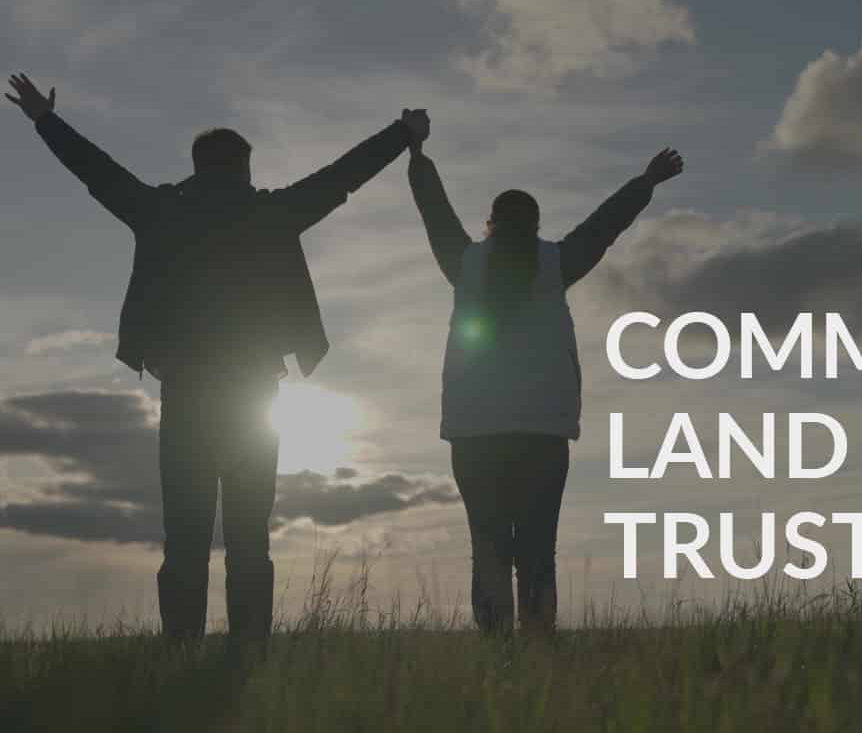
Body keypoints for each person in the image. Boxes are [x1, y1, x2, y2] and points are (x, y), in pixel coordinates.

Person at [5, 72, 429, 642]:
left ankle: (181, 653)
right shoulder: (269, 212)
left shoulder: (160, 210)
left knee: (184, 538)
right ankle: (248, 655)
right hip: (255, 396)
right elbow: (341, 179)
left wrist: (45, 121)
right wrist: (401, 135)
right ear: (243, 168)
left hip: (185, 396)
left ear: (198, 165)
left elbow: (96, 172)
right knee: (249, 538)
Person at [403, 109, 684, 635]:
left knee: (487, 548)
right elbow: (604, 226)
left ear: (491, 222)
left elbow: (435, 213)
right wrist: (646, 182)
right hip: (542, 433)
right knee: (537, 550)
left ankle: (496, 658)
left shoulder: (465, 265)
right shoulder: (555, 264)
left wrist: (417, 155)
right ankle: (536, 655)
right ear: (534, 225)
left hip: (475, 433)